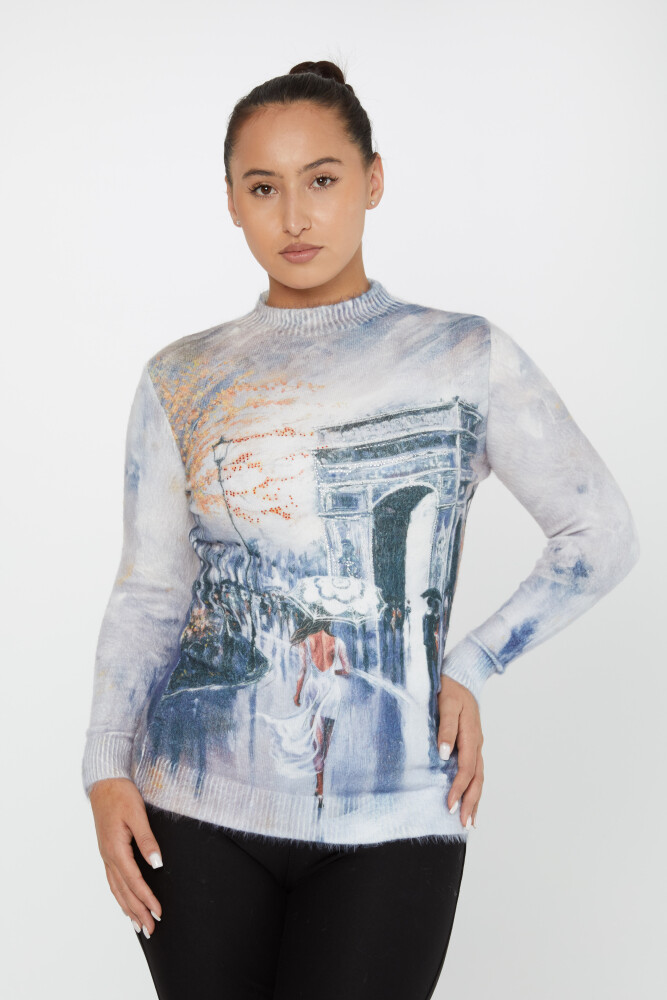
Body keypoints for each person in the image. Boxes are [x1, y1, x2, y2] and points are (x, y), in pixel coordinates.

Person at [81, 60, 640, 1000]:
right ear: (231, 201)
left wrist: (472, 664)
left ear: (373, 180)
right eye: (264, 187)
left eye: (322, 179)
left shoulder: (462, 355)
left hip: (398, 812)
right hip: (191, 803)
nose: (295, 216)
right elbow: (150, 593)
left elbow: (599, 531)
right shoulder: (180, 376)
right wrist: (104, 766)